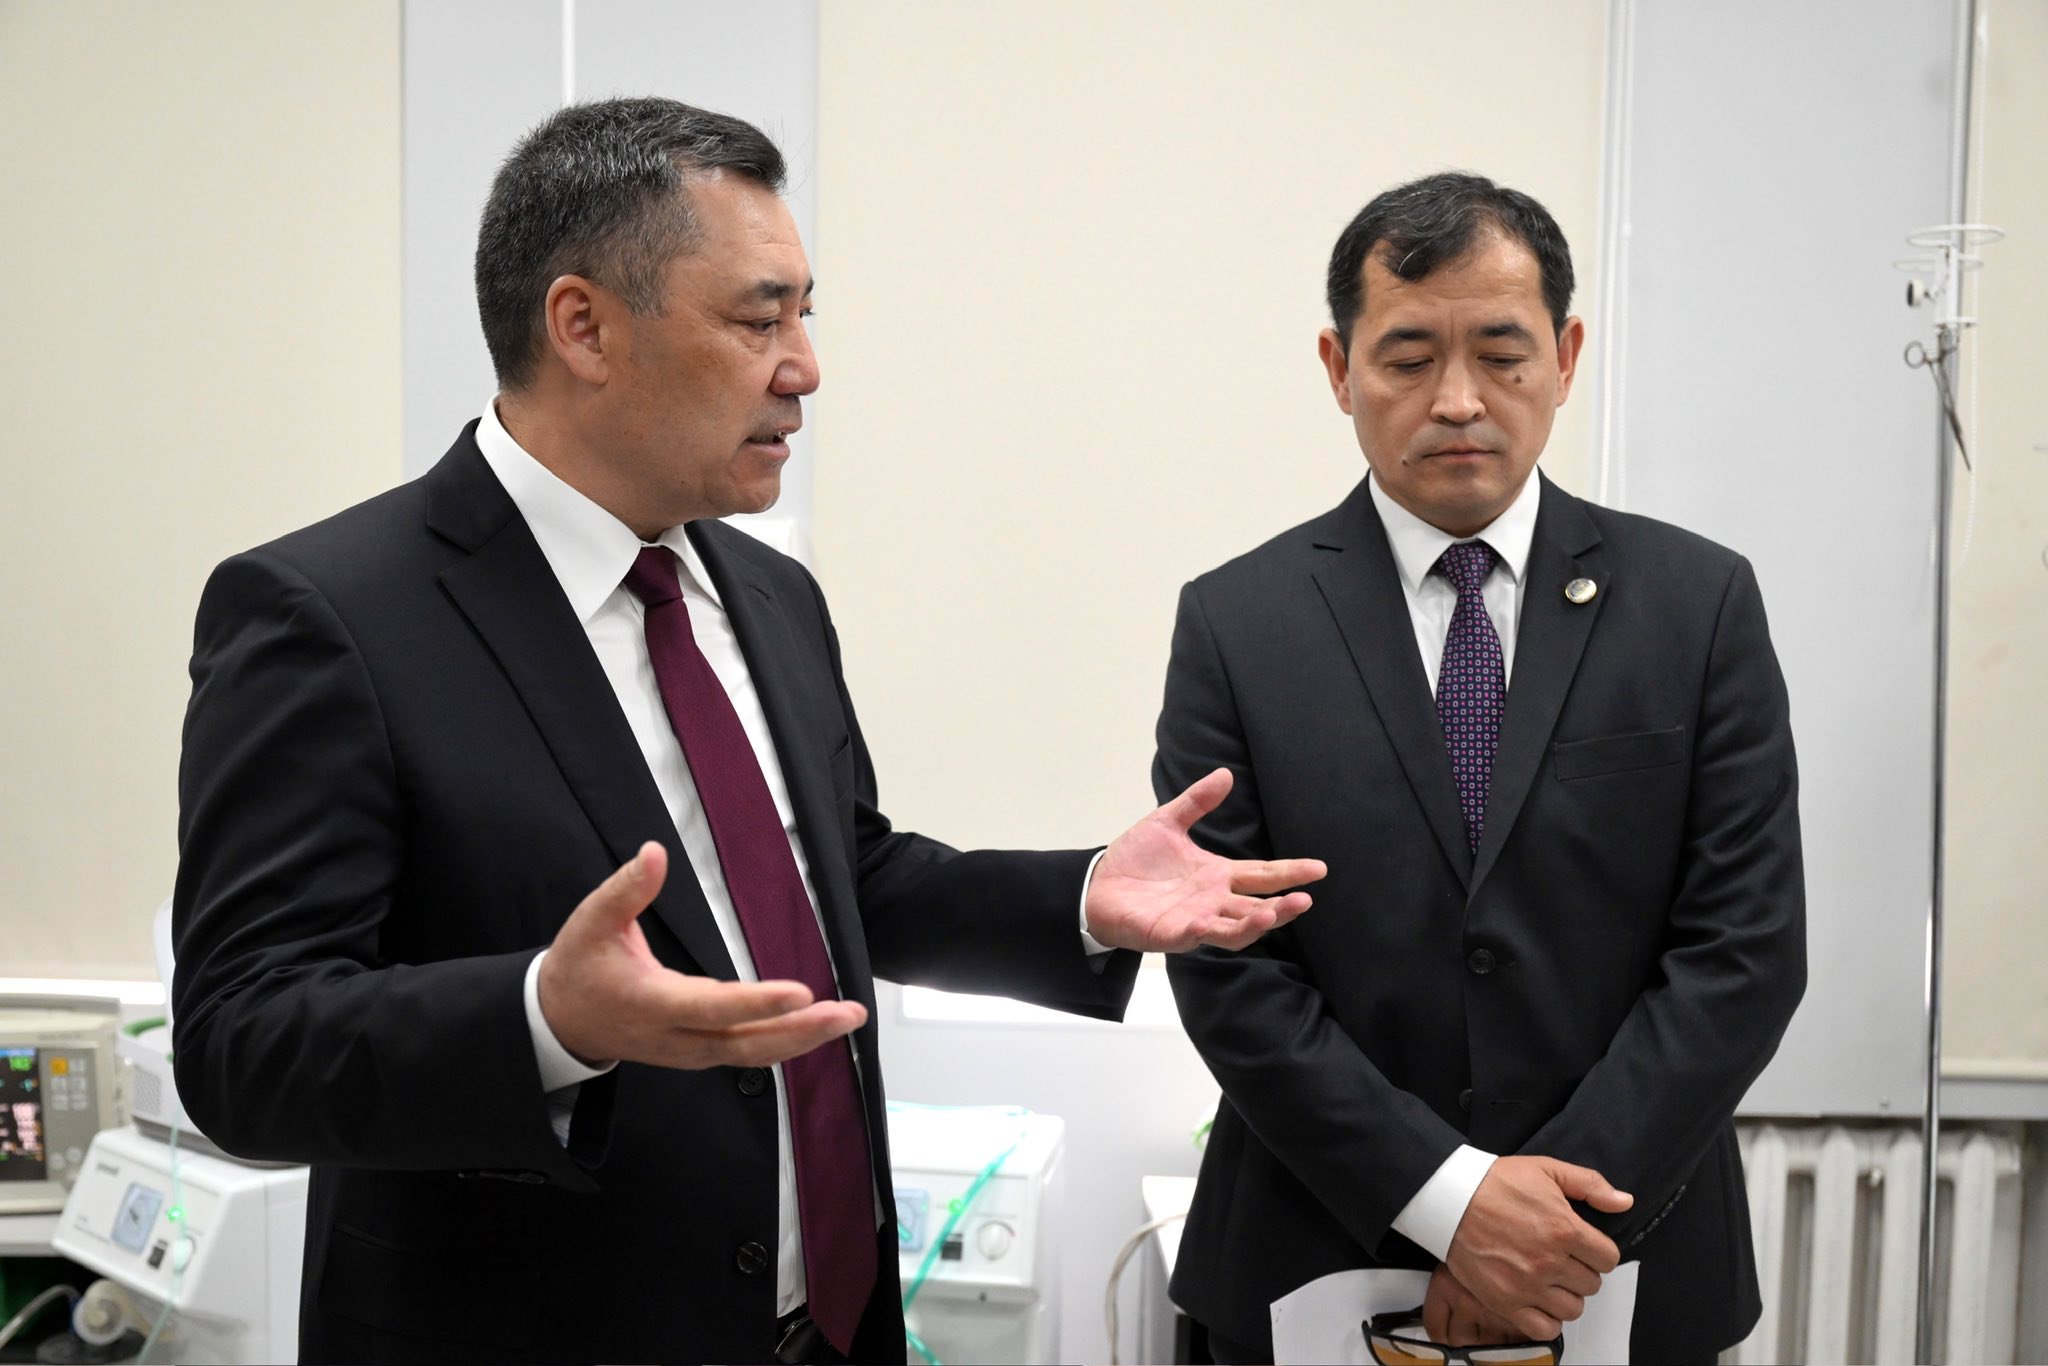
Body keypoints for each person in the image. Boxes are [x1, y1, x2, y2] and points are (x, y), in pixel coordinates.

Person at [170, 97, 1324, 1366]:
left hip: (823, 1327)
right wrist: (546, 1015)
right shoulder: (331, 614)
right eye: (757, 318)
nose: (804, 367)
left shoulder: (766, 592)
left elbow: (844, 882)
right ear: (583, 326)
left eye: (804, 314)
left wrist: (1084, 898)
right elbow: (241, 1045)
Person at [1155, 172, 1805, 1364]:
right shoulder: (1236, 625)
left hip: (1623, 1254)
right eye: (1406, 357)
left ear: (1563, 357)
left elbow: (1743, 953)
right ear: (1336, 367)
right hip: (1312, 1249)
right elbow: (1228, 970)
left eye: (1500, 354)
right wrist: (1449, 1202)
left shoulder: (1697, 604)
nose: (1457, 400)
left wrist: (1545, 1223)